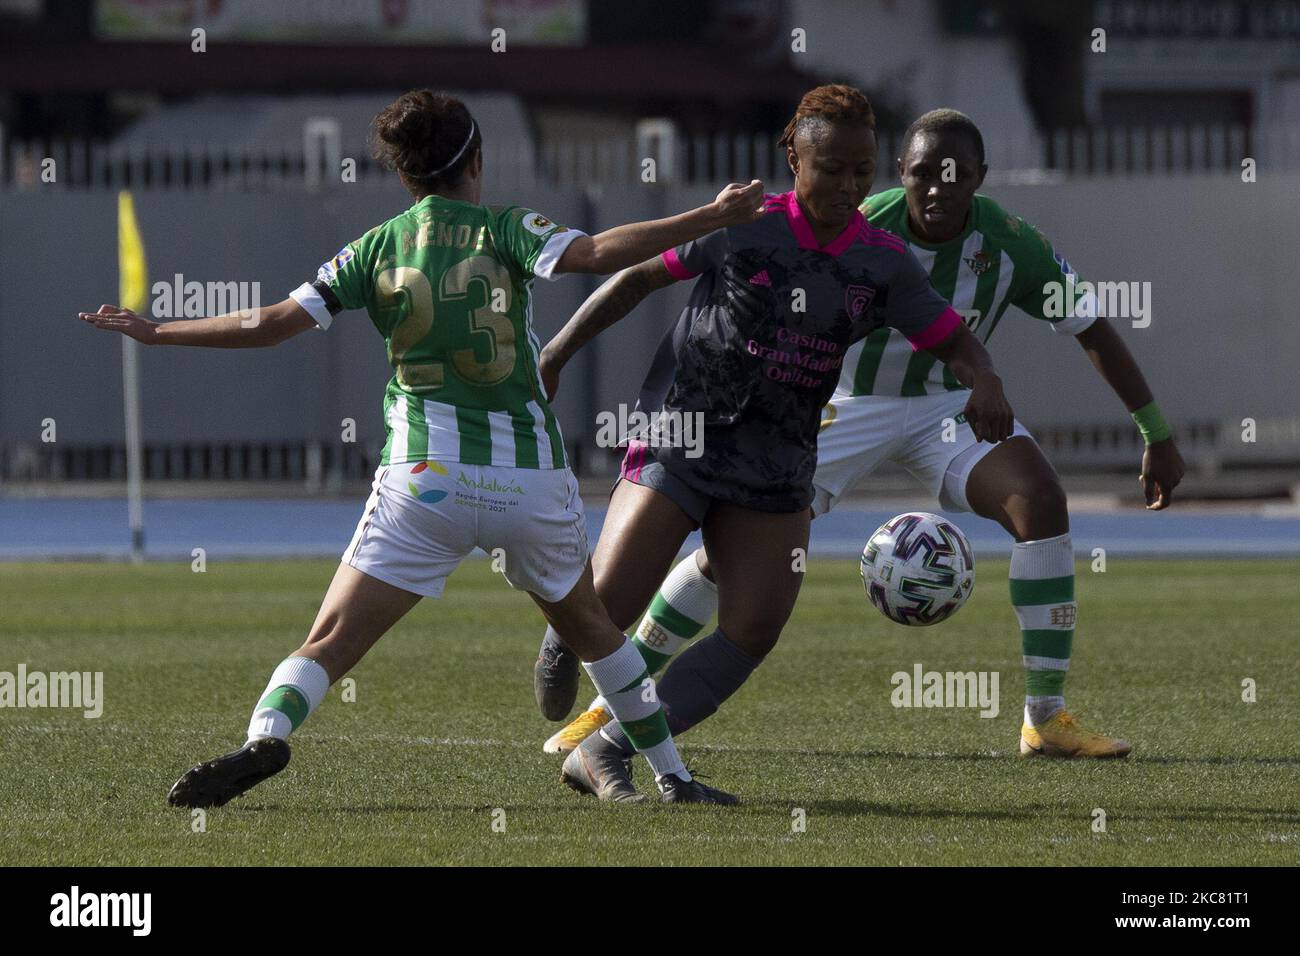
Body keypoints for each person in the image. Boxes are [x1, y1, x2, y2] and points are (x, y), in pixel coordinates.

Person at [78, 89, 767, 807]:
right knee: (594, 630)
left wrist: (158, 332)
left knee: (328, 643)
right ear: (476, 159)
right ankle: (674, 778)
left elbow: (275, 321)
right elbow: (595, 254)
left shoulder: (375, 246)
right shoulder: (505, 227)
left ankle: (263, 737)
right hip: (525, 480)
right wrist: (709, 215)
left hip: (424, 481)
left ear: (406, 178)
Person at [540, 108, 1185, 761]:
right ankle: (613, 701)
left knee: (1041, 502)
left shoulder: (1011, 244)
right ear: (901, 174)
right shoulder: (857, 221)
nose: (938, 188)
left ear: (980, 179)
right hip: (838, 403)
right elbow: (682, 284)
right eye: (924, 174)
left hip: (946, 407)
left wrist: (1154, 431)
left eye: (956, 176)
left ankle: (1044, 718)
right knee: (729, 554)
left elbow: (1089, 326)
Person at [535, 87, 1016, 801]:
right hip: (683, 432)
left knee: (753, 629)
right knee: (604, 613)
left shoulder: (883, 261)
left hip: (777, 457)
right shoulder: (744, 225)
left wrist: (985, 379)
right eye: (832, 169)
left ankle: (607, 751)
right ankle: (562, 640)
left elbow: (953, 338)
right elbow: (636, 278)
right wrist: (554, 356)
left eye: (862, 171)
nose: (850, 187)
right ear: (793, 158)